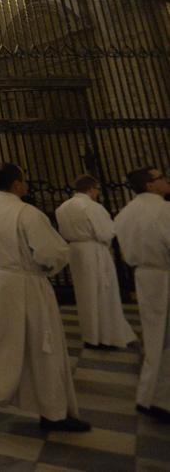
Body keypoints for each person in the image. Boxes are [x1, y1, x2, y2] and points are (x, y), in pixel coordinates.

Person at [0, 164, 90, 432]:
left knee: (3, 336)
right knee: (44, 343)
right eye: (24, 180)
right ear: (16, 184)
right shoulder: (26, 213)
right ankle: (52, 411)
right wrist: (48, 268)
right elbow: (50, 253)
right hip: (26, 283)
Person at [114, 167, 170, 423]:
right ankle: (159, 399)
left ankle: (149, 394)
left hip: (143, 276)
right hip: (164, 276)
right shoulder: (162, 210)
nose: (165, 180)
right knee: (164, 339)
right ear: (149, 185)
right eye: (160, 177)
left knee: (154, 336)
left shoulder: (125, 213)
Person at [56, 175, 135, 351]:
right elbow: (106, 232)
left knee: (85, 294)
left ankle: (90, 335)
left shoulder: (62, 208)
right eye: (97, 190)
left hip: (75, 251)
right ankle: (106, 336)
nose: (98, 193)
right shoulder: (92, 207)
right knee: (103, 293)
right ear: (91, 189)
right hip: (94, 251)